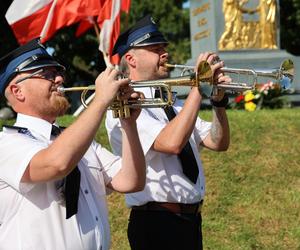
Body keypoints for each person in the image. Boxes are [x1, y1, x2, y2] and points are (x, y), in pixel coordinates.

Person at [0, 38, 146, 250]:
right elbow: (56, 164)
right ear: (17, 92)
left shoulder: (78, 140)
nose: (59, 78)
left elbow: (131, 182)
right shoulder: (6, 143)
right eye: (47, 74)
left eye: (58, 73)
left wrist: (129, 124)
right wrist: (101, 100)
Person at [105, 15, 231, 250]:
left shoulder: (174, 104)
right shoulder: (125, 106)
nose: (165, 54)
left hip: (190, 220)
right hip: (157, 222)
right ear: (131, 59)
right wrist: (198, 88)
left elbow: (217, 141)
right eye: (155, 49)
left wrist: (218, 101)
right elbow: (171, 143)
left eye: (164, 48)